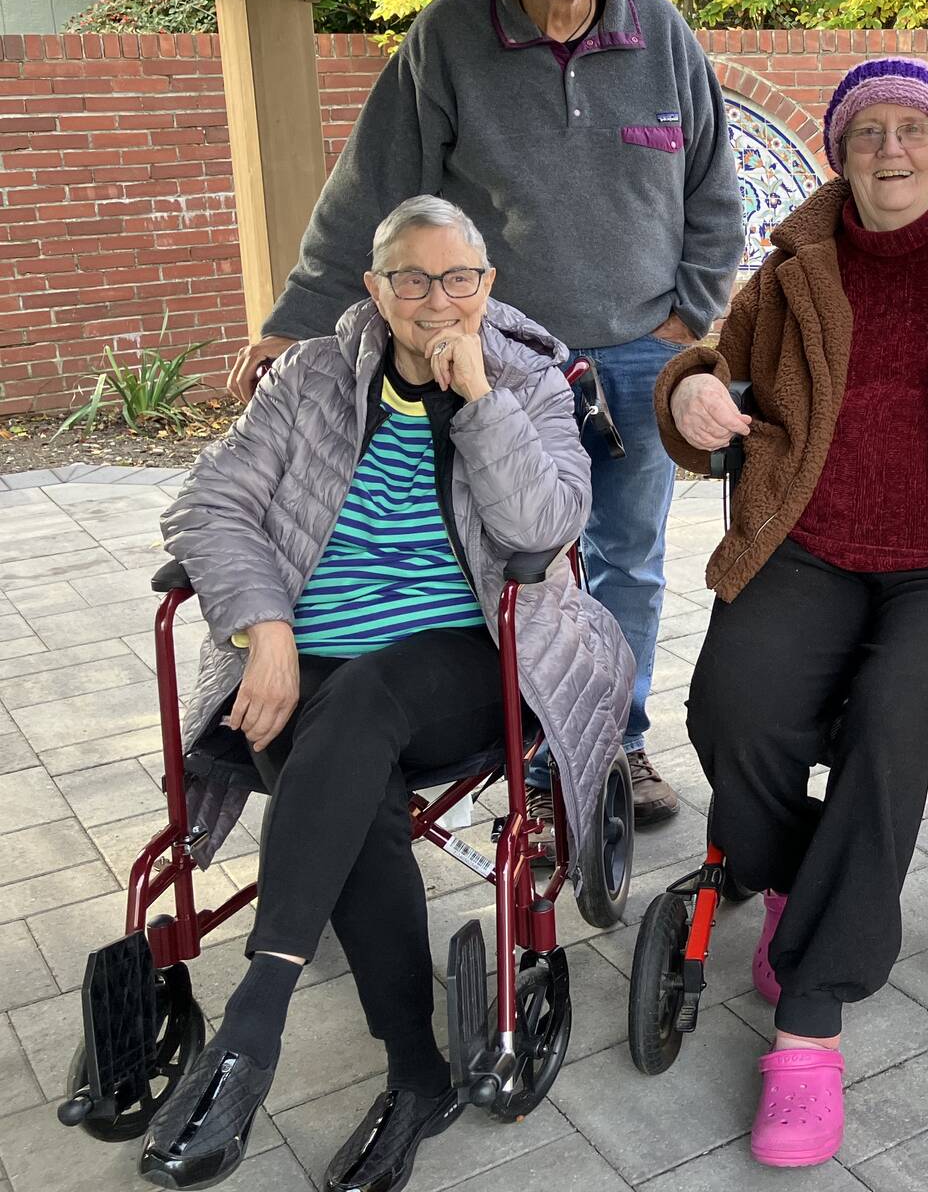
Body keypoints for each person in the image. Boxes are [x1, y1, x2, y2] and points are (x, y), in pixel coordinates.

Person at [226, 0, 742, 830]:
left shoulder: (662, 36)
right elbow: (372, 195)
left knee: (627, 561)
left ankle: (616, 751)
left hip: (638, 359)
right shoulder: (448, 39)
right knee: (513, 563)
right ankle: (537, 760)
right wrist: (297, 320)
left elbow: (715, 195)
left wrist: (685, 322)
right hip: (494, 369)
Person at [141, 196, 633, 1191]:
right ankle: (417, 1073)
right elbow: (209, 502)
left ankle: (252, 1030)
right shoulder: (312, 378)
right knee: (348, 761)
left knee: (360, 704)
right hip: (298, 674)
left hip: (469, 659)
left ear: (488, 285)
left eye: (459, 278)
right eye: (411, 278)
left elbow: (543, 533)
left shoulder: (532, 382)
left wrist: (482, 401)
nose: (436, 298)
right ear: (375, 288)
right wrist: (265, 631)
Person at [657, 56, 928, 1167]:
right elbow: (711, 371)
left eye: (911, 131)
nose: (888, 151)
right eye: (864, 134)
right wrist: (687, 393)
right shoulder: (794, 266)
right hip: (811, 541)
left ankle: (809, 1023)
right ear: (839, 154)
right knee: (728, 711)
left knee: (894, 714)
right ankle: (799, 879)